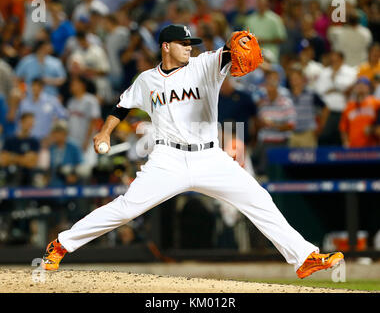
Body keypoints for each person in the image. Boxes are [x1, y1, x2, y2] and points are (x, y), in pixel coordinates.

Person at [41, 24, 344, 279]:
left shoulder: (204, 65)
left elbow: (227, 53)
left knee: (258, 198)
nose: (188, 47)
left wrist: (231, 47)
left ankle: (304, 257)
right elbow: (121, 106)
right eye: (183, 43)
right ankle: (61, 245)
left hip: (209, 157)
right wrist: (105, 131)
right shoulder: (147, 80)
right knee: (126, 208)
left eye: (191, 43)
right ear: (165, 46)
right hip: (167, 160)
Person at [0, 112, 40, 186]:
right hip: (10, 178)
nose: (30, 125)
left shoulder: (34, 141)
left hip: (27, 179)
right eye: (28, 122)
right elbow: (3, 160)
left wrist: (12, 157)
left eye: (32, 123)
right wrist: (23, 159)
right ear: (21, 122)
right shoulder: (10, 139)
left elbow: (31, 163)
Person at [339, 77, 380, 148]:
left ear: (369, 88)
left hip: (372, 146)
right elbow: (343, 127)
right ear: (355, 88)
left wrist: (373, 129)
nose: (361, 87)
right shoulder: (349, 106)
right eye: (358, 85)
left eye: (364, 85)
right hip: (354, 147)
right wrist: (345, 142)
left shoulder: (376, 103)